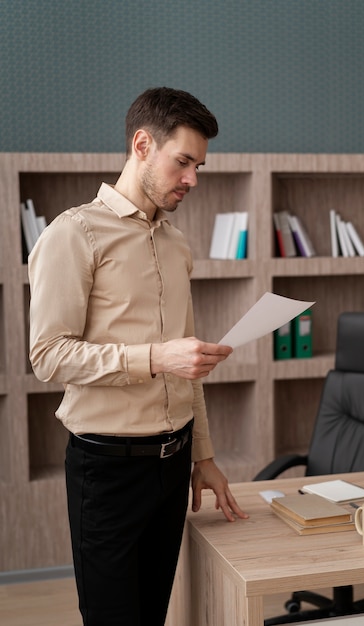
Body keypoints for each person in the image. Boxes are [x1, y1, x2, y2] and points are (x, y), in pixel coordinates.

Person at [28, 87, 249, 626]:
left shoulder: (176, 246)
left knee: (152, 615)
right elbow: (49, 357)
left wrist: (204, 457)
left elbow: (187, 363)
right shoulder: (73, 233)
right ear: (143, 144)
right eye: (184, 161)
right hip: (107, 471)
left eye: (199, 165)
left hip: (173, 469)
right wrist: (155, 357)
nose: (193, 178)